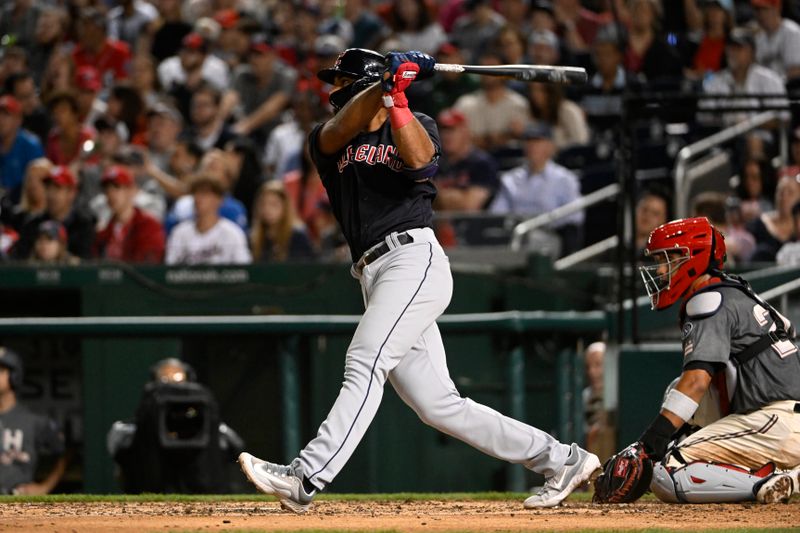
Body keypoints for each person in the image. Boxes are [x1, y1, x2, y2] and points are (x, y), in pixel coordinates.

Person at [237, 47, 600, 513]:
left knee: (364, 360)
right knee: (439, 406)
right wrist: (385, 84)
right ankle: (562, 459)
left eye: (340, 81)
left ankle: (306, 476)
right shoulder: (328, 139)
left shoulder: (416, 121)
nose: (332, 90)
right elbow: (343, 124)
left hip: (413, 258)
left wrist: (398, 99)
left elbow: (422, 163)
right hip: (373, 271)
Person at [596, 217, 800, 505]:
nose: (661, 270)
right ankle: (782, 471)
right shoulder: (737, 291)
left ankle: (770, 482)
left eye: (667, 259)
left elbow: (696, 382)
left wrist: (647, 446)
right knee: (674, 390)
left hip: (774, 422)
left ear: (692, 257)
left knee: (667, 470)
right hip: (779, 418)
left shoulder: (708, 300)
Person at [107, 358, 244, 493]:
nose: (173, 388)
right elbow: (118, 450)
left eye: (178, 382)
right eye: (165, 382)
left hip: (203, 490)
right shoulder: (131, 428)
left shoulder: (211, 422)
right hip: (150, 491)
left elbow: (236, 448)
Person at [490, 123, 584, 255]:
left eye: (538, 141)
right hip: (515, 238)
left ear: (550, 146)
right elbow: (496, 214)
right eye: (528, 141)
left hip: (550, 237)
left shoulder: (565, 179)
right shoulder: (511, 179)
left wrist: (542, 224)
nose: (532, 146)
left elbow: (574, 218)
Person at [0, 347, 67, 495]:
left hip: (16, 499)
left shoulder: (33, 420)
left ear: (14, 376)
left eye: (0, 371)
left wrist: (45, 487)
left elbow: (64, 453)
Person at [165, 174, 251, 265]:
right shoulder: (180, 232)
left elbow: (244, 270)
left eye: (204, 194)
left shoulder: (232, 233)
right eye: (195, 193)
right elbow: (170, 270)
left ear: (219, 199)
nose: (198, 198)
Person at [12, 165, 95, 260]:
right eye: (48, 188)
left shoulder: (83, 226)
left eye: (57, 188)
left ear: (71, 193)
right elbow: (18, 260)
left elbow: (87, 264)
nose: (51, 194)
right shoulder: (33, 225)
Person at [93, 165, 165, 263]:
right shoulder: (104, 231)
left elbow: (150, 265)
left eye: (116, 187)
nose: (110, 194)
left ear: (131, 190)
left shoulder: (148, 226)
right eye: (107, 190)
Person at [433, 108, 499, 212]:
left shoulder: (481, 162)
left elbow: (469, 206)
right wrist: (458, 196)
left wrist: (438, 195)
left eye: (452, 130)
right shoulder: (436, 161)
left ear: (465, 132)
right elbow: (423, 202)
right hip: (439, 225)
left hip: (473, 226)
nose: (446, 136)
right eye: (443, 131)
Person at [250, 180, 316, 262]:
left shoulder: (298, 236)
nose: (267, 209)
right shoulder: (254, 237)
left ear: (285, 207)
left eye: (274, 204)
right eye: (263, 204)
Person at [0, 95, 44, 205]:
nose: (1, 119)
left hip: (22, 204)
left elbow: (38, 183)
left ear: (18, 120)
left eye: (6, 115)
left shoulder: (31, 145)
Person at [751, 0, 800, 81]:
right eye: (757, 10)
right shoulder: (758, 39)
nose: (761, 14)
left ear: (777, 8)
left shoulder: (792, 32)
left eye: (765, 9)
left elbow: (796, 70)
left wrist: (776, 84)